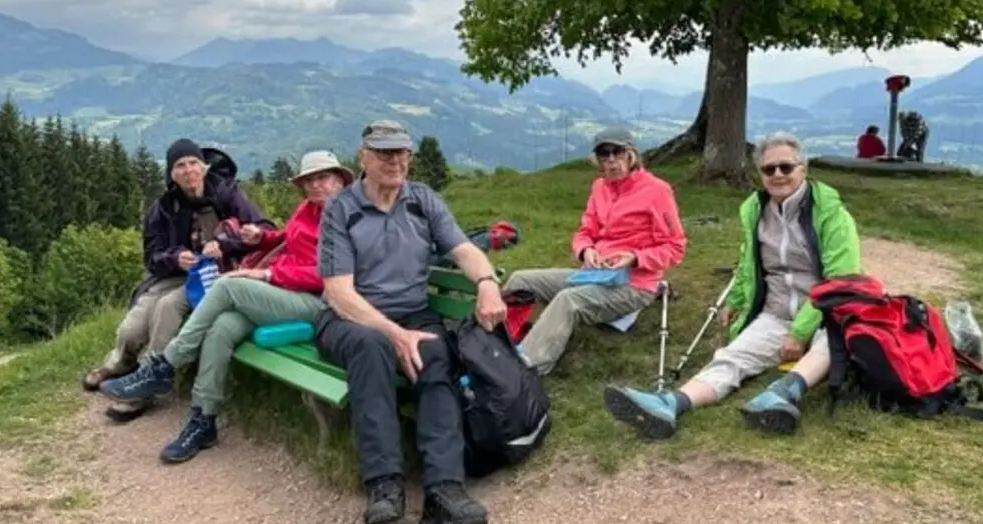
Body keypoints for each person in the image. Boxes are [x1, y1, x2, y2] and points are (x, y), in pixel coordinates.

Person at [98, 151, 356, 463]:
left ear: (341, 180)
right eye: (309, 180)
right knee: (221, 328)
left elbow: (331, 276)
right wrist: (260, 236)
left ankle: (164, 365)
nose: (316, 186)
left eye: (324, 178)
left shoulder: (350, 218)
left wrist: (267, 273)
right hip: (283, 294)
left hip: (320, 305)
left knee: (228, 284)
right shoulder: (307, 210)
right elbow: (285, 240)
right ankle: (203, 420)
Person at [604, 132, 861, 437]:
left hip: (826, 313)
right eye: (769, 169)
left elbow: (840, 281)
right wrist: (737, 300)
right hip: (777, 312)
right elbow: (749, 261)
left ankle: (783, 394)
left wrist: (799, 332)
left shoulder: (832, 215)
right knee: (731, 356)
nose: (777, 175)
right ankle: (672, 404)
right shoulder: (755, 210)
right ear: (760, 174)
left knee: (834, 340)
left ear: (803, 169)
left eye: (786, 167)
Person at [314, 119, 504, 524]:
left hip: (414, 313)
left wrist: (487, 282)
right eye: (383, 152)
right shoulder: (341, 209)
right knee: (373, 349)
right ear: (363, 156)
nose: (394, 160)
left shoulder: (422, 200)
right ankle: (384, 485)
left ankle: (444, 488)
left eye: (401, 151)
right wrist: (394, 334)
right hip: (350, 317)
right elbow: (339, 292)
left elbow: (464, 248)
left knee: (435, 355)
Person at [82, 139, 272, 421]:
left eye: (194, 163)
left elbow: (265, 229)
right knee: (130, 331)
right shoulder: (163, 208)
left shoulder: (226, 193)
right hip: (173, 276)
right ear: (171, 174)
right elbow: (151, 256)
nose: (188, 170)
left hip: (216, 275)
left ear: (204, 167)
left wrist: (224, 242)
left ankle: (144, 387)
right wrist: (175, 257)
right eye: (180, 165)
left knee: (168, 308)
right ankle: (120, 364)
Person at [501, 127, 686, 376]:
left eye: (618, 152)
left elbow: (675, 247)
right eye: (604, 154)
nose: (611, 160)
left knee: (568, 301)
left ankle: (527, 368)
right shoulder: (599, 187)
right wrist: (585, 251)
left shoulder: (658, 191)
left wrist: (634, 258)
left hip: (635, 284)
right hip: (592, 273)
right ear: (597, 160)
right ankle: (501, 343)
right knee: (518, 281)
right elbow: (585, 231)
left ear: (631, 155)